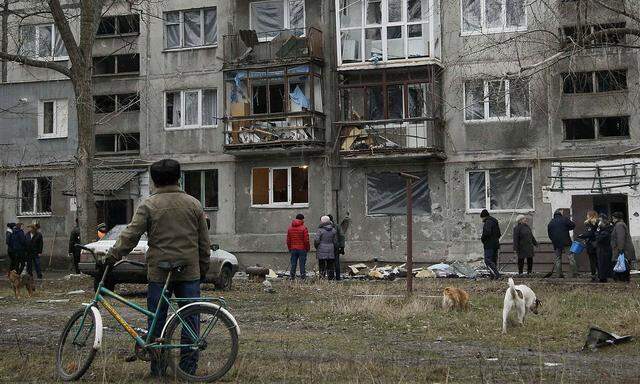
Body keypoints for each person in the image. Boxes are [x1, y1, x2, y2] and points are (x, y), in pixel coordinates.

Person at [105, 159, 210, 377]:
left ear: (154, 180)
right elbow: (203, 242)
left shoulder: (148, 205)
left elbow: (130, 236)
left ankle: (159, 369)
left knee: (157, 320)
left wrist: (113, 256)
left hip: (160, 273)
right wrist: (203, 268)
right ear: (178, 177)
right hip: (189, 271)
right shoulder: (193, 204)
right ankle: (188, 369)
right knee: (190, 319)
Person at [547, 209, 576, 278]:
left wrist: (554, 240)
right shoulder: (564, 219)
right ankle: (574, 273)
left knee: (558, 258)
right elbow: (573, 225)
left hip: (556, 243)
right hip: (566, 242)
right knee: (570, 257)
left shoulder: (551, 222)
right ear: (560, 213)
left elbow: (549, 234)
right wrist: (567, 228)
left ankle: (558, 274)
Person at [611, 211, 634, 282]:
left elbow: (620, 237)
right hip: (623, 249)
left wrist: (620, 249)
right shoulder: (621, 224)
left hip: (621, 249)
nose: (612, 220)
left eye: (613, 218)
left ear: (616, 218)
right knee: (623, 264)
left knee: (622, 265)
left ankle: (623, 280)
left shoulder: (619, 225)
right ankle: (624, 280)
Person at [286, 213, 310, 280]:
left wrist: (289, 248)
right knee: (302, 264)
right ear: (302, 219)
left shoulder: (290, 228)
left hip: (293, 248)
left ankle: (292, 277)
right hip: (302, 249)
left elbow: (288, 240)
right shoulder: (304, 228)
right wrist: (307, 248)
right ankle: (303, 278)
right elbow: (306, 240)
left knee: (293, 264)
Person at [578, 211, 599, 281]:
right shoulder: (598, 223)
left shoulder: (590, 223)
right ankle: (600, 274)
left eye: (587, 215)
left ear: (590, 215)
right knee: (597, 260)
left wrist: (582, 236)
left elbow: (590, 234)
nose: (586, 216)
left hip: (591, 245)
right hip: (597, 244)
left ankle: (593, 276)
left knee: (592, 261)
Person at [314, 215, 337, 280]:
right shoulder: (333, 230)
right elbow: (335, 241)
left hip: (321, 249)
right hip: (331, 249)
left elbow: (316, 240)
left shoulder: (320, 230)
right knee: (330, 265)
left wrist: (317, 247)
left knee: (321, 265)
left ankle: (322, 278)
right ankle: (331, 279)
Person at [480, 209, 501, 279]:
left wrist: (482, 239)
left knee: (488, 260)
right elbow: (499, 234)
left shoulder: (488, 222)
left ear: (484, 216)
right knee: (493, 261)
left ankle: (496, 274)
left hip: (489, 245)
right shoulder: (495, 221)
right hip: (496, 244)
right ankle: (492, 276)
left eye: (482, 218)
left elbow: (487, 233)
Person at [594, 214, 613, 283]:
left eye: (600, 221)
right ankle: (602, 277)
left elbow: (599, 238)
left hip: (604, 248)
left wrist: (597, 231)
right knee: (601, 263)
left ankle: (603, 278)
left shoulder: (607, 229)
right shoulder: (606, 228)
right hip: (603, 248)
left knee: (603, 263)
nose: (599, 222)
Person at [327, 214, 345, 281]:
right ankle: (338, 277)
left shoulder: (324, 226)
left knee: (329, 262)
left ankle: (330, 277)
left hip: (328, 246)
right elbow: (342, 236)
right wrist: (342, 247)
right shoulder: (337, 226)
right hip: (336, 246)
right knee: (336, 262)